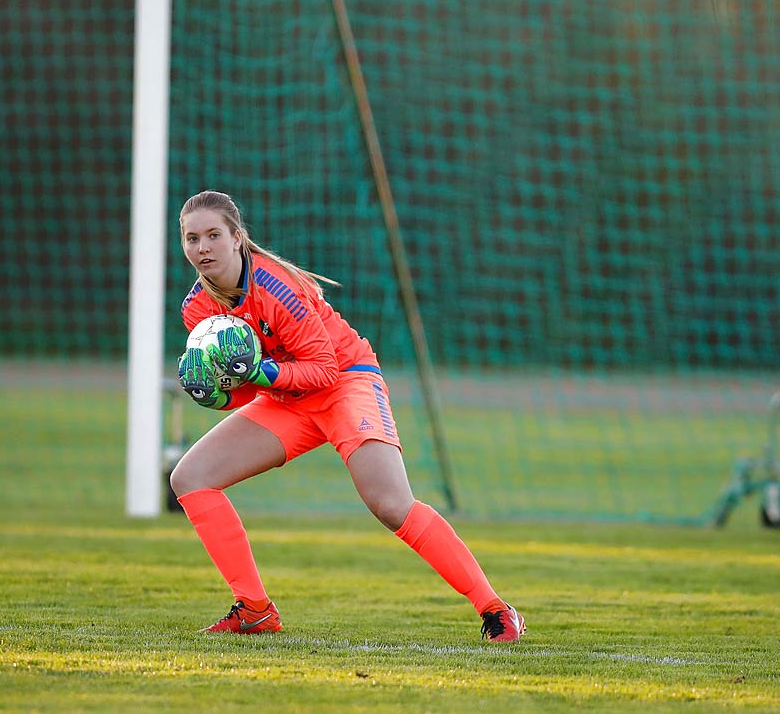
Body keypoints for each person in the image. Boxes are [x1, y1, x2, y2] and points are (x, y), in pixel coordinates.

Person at [169, 189, 525, 642]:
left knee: (391, 504)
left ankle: (497, 610)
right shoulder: (196, 309)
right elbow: (247, 388)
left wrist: (260, 371)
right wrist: (219, 396)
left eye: (214, 235)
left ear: (238, 238)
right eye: (191, 238)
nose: (202, 248)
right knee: (190, 477)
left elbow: (322, 370)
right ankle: (255, 611)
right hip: (289, 398)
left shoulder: (278, 287)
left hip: (346, 383)